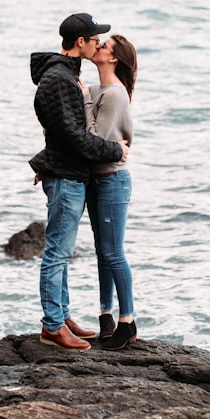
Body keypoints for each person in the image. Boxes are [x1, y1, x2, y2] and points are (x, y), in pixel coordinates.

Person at [29, 13, 129, 351]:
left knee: (63, 251)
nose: (99, 43)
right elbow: (72, 136)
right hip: (67, 176)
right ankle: (52, 326)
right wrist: (114, 150)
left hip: (70, 173)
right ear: (80, 43)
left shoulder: (68, 76)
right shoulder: (58, 79)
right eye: (94, 38)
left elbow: (59, 132)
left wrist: (48, 159)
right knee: (57, 252)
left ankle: (62, 316)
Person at [84, 34, 138, 350]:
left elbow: (95, 140)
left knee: (113, 252)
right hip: (96, 181)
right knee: (102, 252)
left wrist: (85, 99)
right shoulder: (96, 90)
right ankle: (105, 316)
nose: (98, 47)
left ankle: (127, 321)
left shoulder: (114, 94)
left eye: (104, 46)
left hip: (112, 181)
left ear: (114, 58)